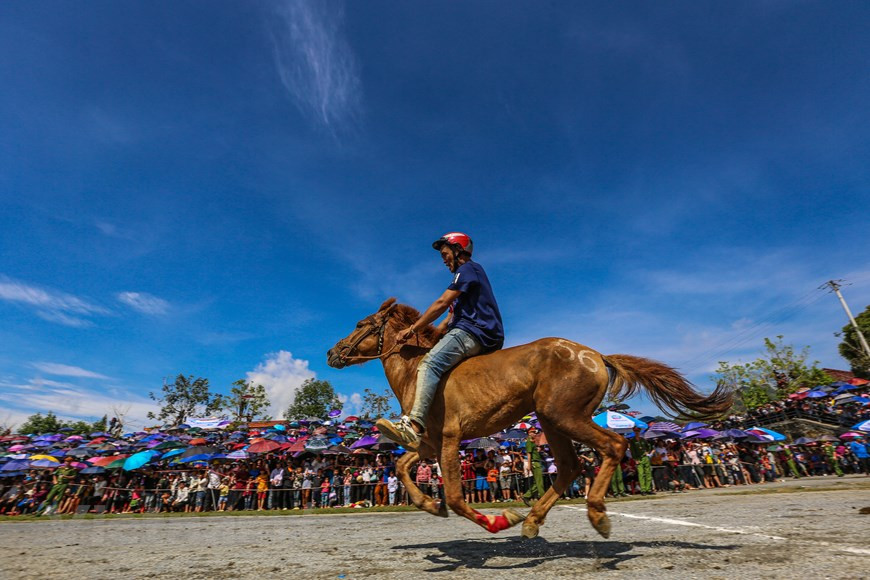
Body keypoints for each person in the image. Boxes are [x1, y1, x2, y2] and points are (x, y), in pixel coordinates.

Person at [377, 232, 504, 449]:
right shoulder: (468, 280)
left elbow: (442, 302)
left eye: (445, 254)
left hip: (475, 332)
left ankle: (414, 426)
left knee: (429, 364)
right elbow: (448, 320)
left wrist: (412, 329)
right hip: (476, 331)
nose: (444, 259)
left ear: (458, 250)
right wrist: (428, 335)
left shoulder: (467, 270)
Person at [522, 428, 545, 506]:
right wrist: (529, 465)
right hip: (534, 463)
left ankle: (526, 496)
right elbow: (529, 454)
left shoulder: (533, 442)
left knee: (537, 482)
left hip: (537, 462)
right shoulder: (529, 442)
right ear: (529, 433)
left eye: (535, 432)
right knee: (539, 482)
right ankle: (544, 499)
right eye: (532, 432)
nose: (534, 434)